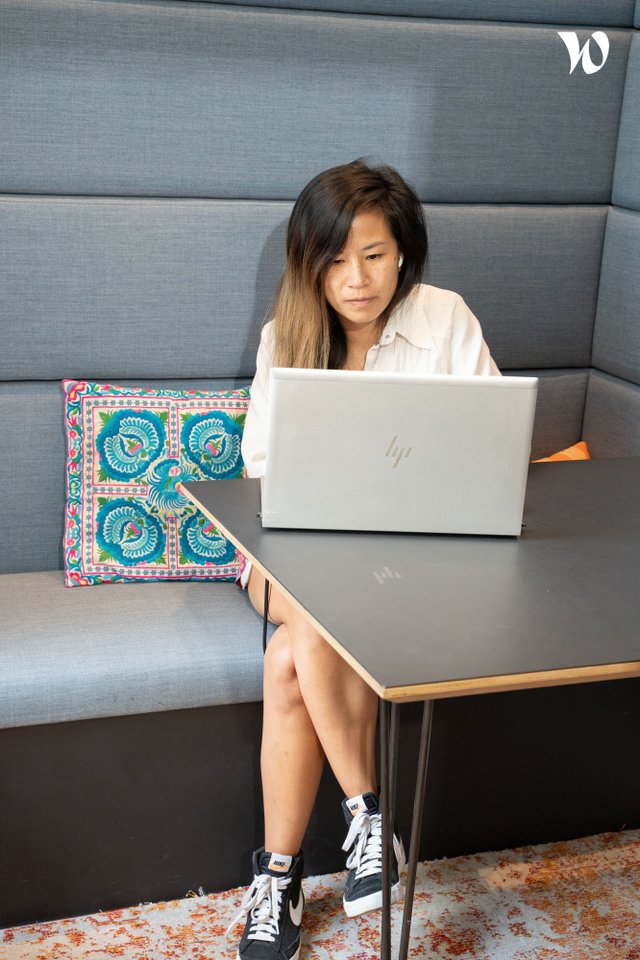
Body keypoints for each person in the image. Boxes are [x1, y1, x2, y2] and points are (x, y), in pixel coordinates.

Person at [228, 159, 500, 960]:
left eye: (375, 255)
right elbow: (259, 470)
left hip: (407, 559)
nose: (357, 279)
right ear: (309, 262)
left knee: (289, 657)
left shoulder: (445, 319)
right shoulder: (286, 337)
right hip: (289, 555)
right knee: (313, 602)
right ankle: (369, 815)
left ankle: (278, 878)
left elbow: (492, 446)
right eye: (337, 259)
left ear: (402, 251)